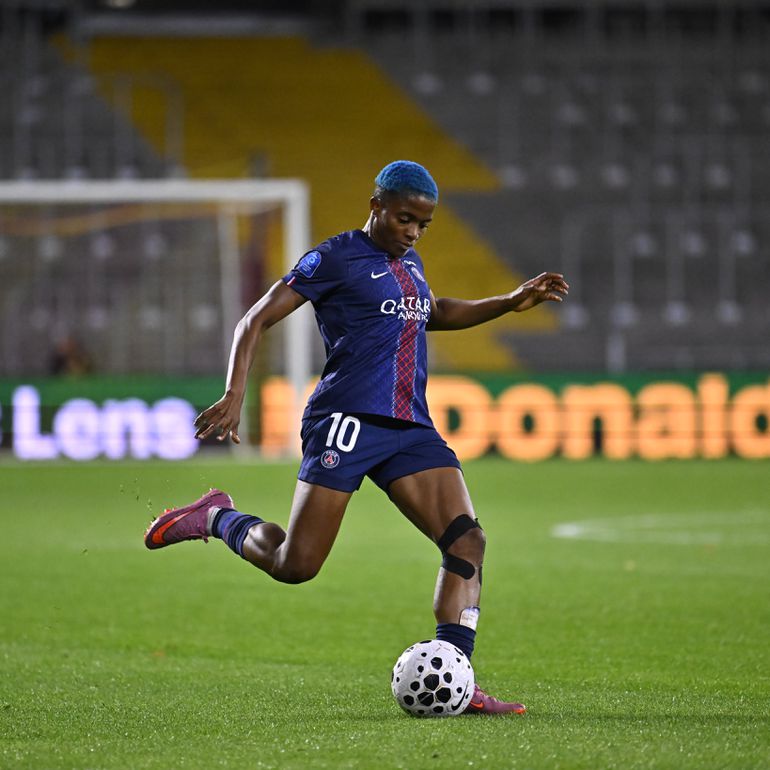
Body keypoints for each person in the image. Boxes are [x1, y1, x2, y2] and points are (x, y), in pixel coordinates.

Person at [144, 160, 568, 714]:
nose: (412, 232)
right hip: (346, 421)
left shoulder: (409, 264)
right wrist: (234, 393)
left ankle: (456, 677)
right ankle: (218, 516)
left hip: (410, 428)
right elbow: (254, 319)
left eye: (422, 224)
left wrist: (508, 302)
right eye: (404, 219)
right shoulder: (334, 258)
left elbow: (435, 311)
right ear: (376, 206)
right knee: (296, 566)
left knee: (467, 543)